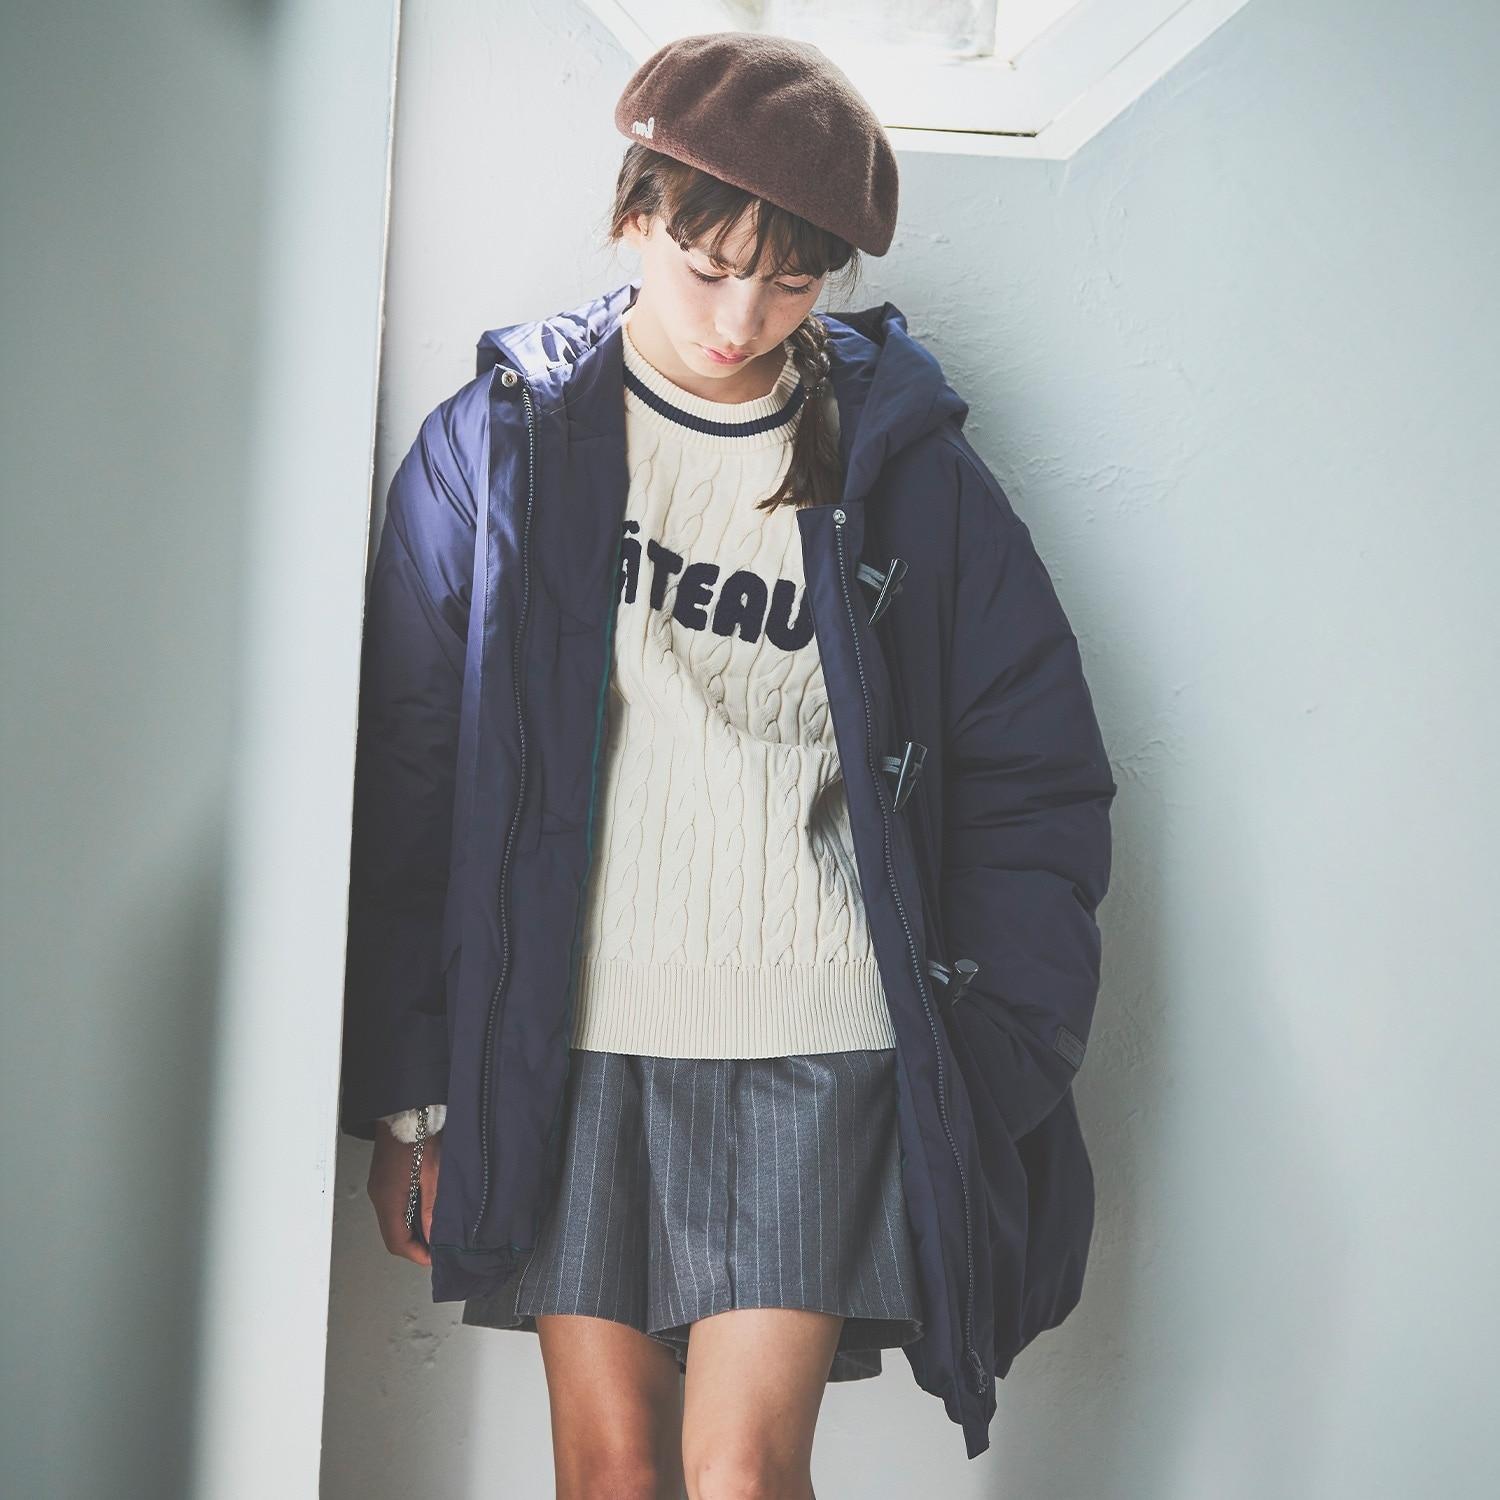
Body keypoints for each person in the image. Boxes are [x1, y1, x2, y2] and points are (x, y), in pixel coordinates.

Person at [339, 29, 1117, 1496]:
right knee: (609, 1473)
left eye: (794, 282)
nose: (742, 317)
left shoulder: (903, 470)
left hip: (810, 1035)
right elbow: (415, 776)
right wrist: (413, 1094)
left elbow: (1036, 772)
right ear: (632, 213)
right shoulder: (501, 448)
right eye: (709, 268)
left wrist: (990, 1052)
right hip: (569, 1035)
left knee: (745, 1474)